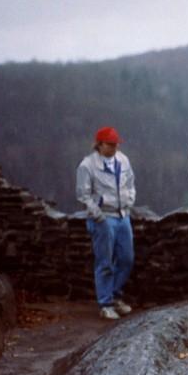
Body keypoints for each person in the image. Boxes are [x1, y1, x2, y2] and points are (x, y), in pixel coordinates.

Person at [76, 126, 136, 320]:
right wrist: (97, 214)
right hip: (104, 218)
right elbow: (83, 194)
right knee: (105, 262)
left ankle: (116, 295)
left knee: (127, 258)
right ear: (99, 145)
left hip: (122, 215)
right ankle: (105, 303)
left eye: (116, 144)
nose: (114, 148)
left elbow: (130, 183)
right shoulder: (87, 165)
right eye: (110, 145)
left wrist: (129, 201)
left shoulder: (123, 160)